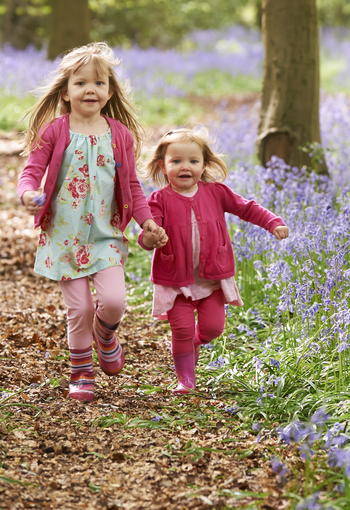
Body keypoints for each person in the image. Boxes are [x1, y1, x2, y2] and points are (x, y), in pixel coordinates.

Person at [16, 42, 168, 403]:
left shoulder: (119, 135)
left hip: (105, 235)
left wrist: (146, 222)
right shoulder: (55, 131)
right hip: (64, 236)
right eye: (81, 83)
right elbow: (32, 170)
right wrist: (26, 193)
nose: (90, 90)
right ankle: (82, 372)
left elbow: (132, 185)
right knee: (80, 308)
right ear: (66, 92)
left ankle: (106, 334)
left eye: (98, 83)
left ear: (110, 91)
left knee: (114, 301)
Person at [141, 127, 289, 394]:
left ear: (204, 164)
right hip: (176, 281)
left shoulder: (216, 192)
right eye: (176, 161)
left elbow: (247, 208)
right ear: (163, 166)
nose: (185, 167)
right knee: (182, 330)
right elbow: (148, 234)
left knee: (212, 328)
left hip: (211, 279)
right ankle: (185, 379)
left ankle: (195, 342)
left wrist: (272, 222)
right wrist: (153, 238)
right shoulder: (159, 200)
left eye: (193, 161)